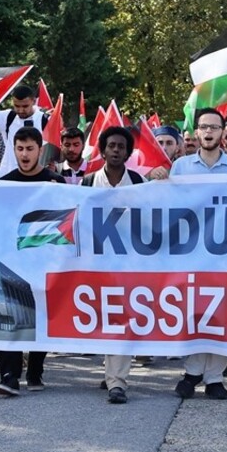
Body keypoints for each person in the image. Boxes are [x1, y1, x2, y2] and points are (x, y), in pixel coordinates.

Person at [167, 108, 227, 401]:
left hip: (226, 256)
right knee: (195, 314)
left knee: (222, 315)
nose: (209, 132)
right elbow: (169, 206)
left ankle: (214, 378)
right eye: (204, 127)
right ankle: (192, 371)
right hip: (192, 254)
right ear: (197, 132)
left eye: (214, 127)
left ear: (222, 132)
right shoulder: (181, 167)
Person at [0, 127, 65, 396]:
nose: (25, 154)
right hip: (12, 262)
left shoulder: (54, 181)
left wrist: (60, 195)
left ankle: (35, 370)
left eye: (30, 149)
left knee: (41, 316)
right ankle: (9, 376)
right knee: (10, 314)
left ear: (39, 150)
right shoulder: (4, 183)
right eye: (20, 149)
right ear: (14, 150)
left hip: (45, 264)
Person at [82, 126, 146, 404]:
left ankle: (116, 382)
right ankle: (110, 371)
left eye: (121, 146)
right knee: (101, 318)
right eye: (112, 146)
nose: (116, 150)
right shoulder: (87, 184)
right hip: (94, 266)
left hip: (128, 266)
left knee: (121, 319)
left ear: (128, 152)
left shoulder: (140, 184)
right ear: (103, 150)